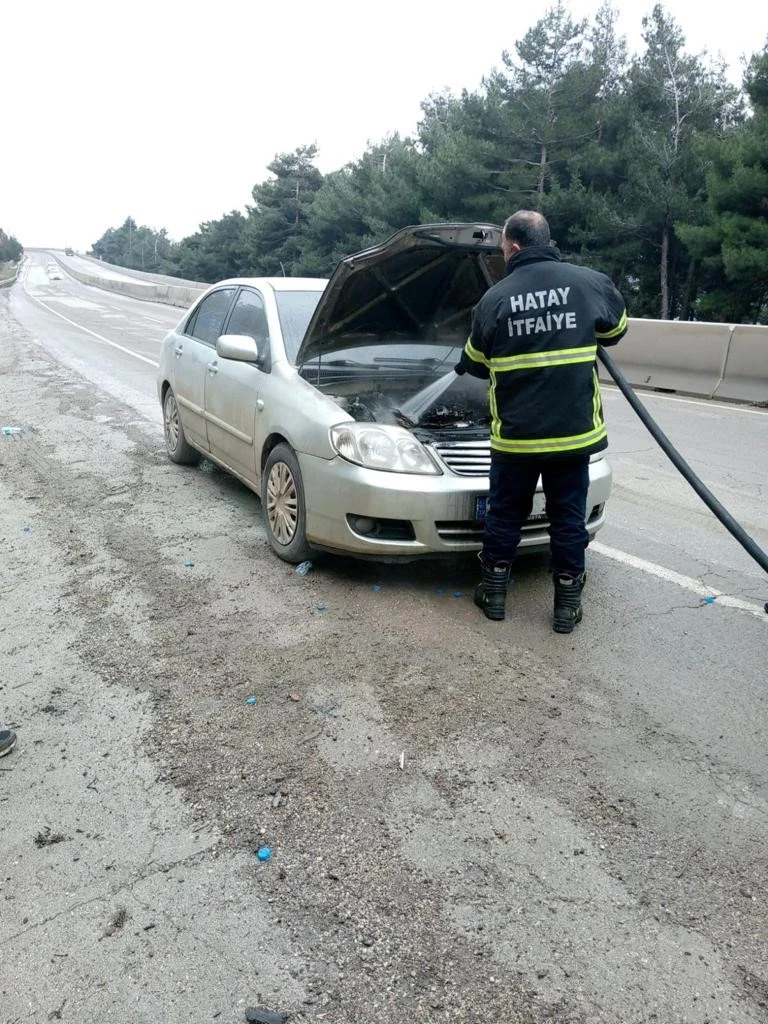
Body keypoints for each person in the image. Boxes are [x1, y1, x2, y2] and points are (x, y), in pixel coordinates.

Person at [456, 210, 627, 631]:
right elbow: (615, 331)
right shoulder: (589, 283)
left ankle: (494, 595)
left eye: (502, 248)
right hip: (573, 436)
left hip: (517, 439)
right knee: (568, 518)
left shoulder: (495, 299)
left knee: (505, 515)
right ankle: (566, 607)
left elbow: (475, 364)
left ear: (513, 246)